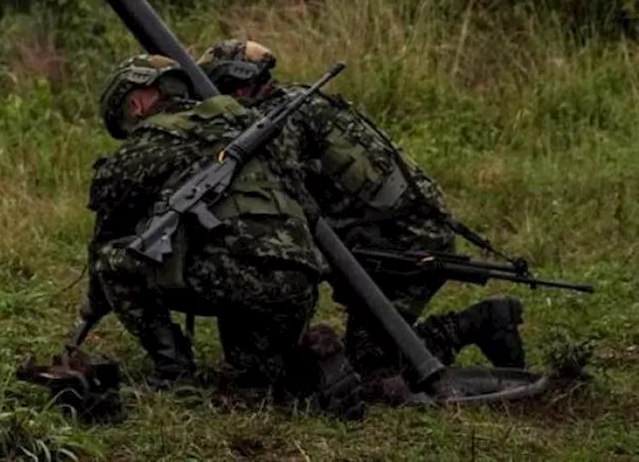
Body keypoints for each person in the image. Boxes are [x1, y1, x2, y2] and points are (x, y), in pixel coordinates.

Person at [196, 39, 525, 376]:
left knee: (372, 365)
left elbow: (287, 208)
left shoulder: (281, 121)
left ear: (237, 84)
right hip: (401, 231)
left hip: (405, 244)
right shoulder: (297, 100)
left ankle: (479, 323)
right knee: (367, 353)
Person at [88, 54, 357, 407]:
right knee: (253, 370)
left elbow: (106, 227)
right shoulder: (249, 121)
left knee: (113, 260)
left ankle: (174, 372)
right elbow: (308, 203)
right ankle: (311, 354)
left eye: (125, 114)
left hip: (235, 281)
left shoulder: (153, 139)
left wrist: (93, 305)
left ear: (138, 102)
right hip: (298, 285)